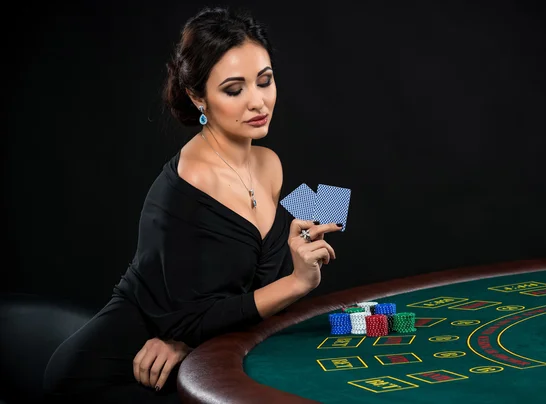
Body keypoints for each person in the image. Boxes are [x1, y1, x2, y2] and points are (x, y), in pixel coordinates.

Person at [43, 6, 342, 403]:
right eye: (235, 90)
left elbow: (243, 292)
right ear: (198, 97)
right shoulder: (194, 180)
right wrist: (298, 282)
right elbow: (189, 317)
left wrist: (298, 259)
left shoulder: (270, 164)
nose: (258, 102)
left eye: (265, 81)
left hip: (194, 352)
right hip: (127, 369)